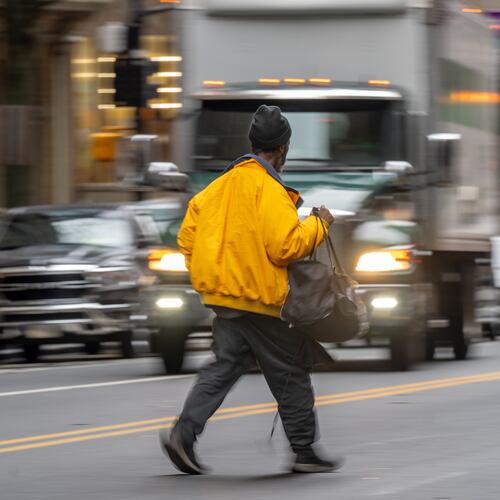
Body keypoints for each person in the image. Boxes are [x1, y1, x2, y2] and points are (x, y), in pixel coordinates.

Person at [160, 104, 341, 474]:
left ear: (254, 143)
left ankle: (183, 435)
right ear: (284, 147)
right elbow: (285, 246)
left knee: (224, 366)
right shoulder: (270, 188)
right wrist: (319, 224)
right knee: (290, 370)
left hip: (222, 297)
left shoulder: (218, 186)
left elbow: (186, 237)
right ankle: (305, 451)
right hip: (260, 300)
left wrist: (210, 274)